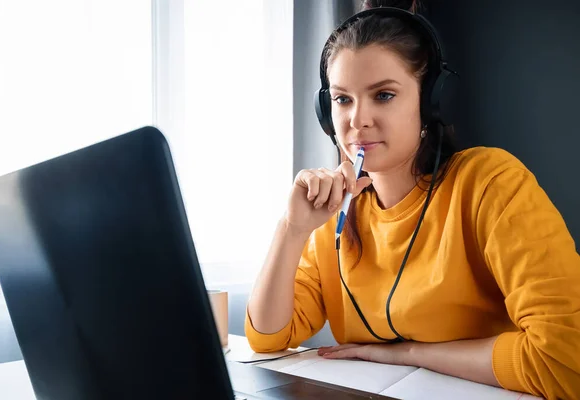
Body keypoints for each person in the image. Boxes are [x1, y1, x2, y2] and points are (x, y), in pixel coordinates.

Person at [244, 0, 580, 398]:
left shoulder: (490, 184)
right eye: (342, 99)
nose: (357, 120)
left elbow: (565, 360)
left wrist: (408, 354)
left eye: (383, 95)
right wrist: (292, 228)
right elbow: (267, 337)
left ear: (430, 102)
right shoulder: (335, 217)